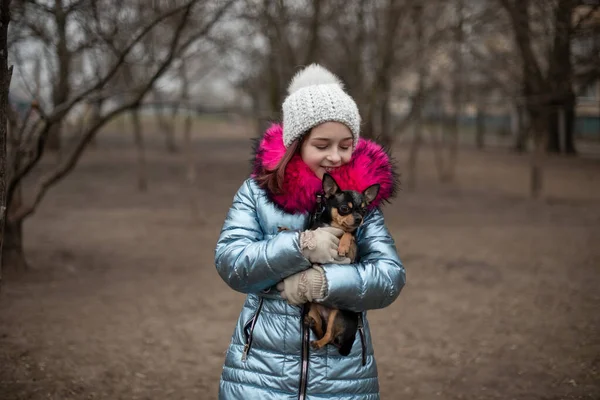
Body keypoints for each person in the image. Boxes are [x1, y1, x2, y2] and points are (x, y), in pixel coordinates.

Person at [215, 64, 405, 400]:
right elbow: (232, 263)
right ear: (296, 143)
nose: (336, 156)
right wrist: (298, 247)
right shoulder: (257, 194)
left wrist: (324, 284)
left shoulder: (359, 203)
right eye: (322, 144)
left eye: (346, 145)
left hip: (343, 379)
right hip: (260, 372)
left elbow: (389, 277)